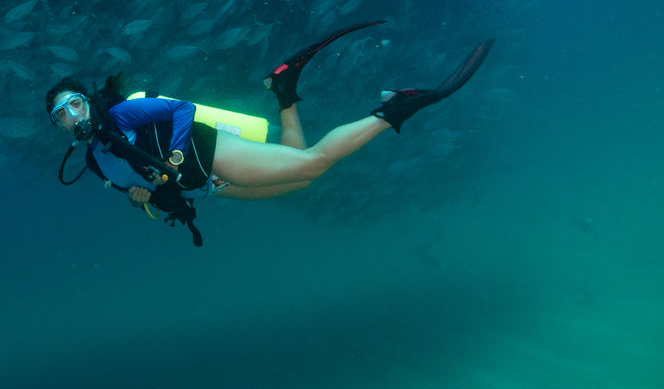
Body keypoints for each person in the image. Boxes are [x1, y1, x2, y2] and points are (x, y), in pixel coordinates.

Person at [45, 21, 494, 244]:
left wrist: (179, 155)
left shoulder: (123, 114)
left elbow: (181, 110)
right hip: (205, 188)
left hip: (208, 154)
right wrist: (137, 199)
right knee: (301, 177)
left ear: (88, 100)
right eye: (62, 114)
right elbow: (135, 181)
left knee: (314, 162)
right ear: (59, 126)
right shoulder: (91, 160)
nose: (72, 115)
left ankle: (396, 107)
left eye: (75, 103)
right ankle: (284, 89)